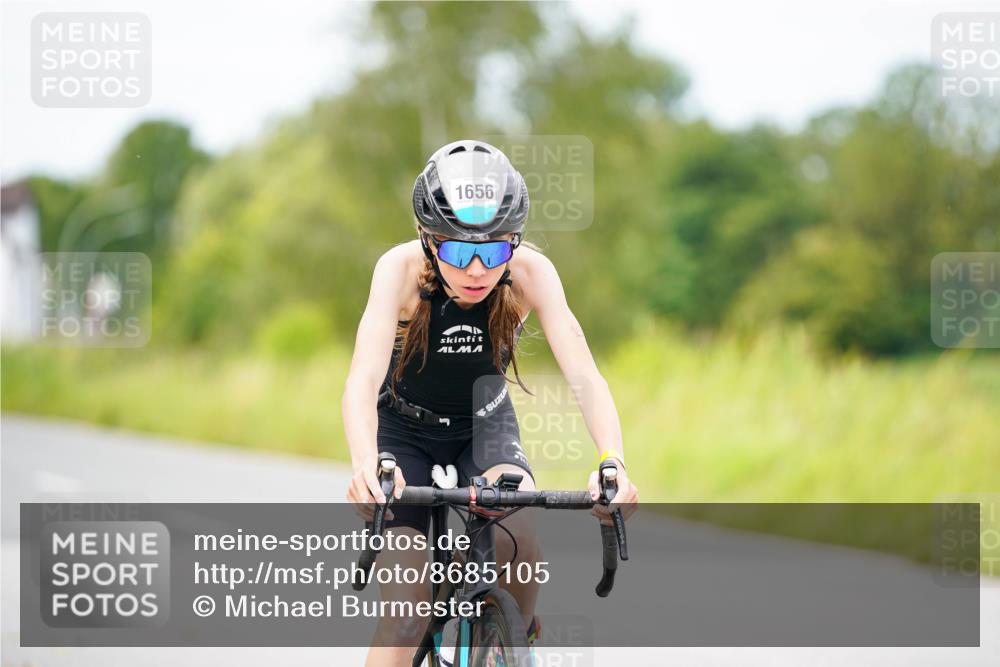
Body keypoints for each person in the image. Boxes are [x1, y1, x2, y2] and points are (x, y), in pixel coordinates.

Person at [343, 139, 639, 666]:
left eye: (496, 249)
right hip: (402, 431)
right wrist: (366, 462)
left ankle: (512, 640)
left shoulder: (530, 274)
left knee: (520, 547)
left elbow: (584, 376)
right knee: (406, 615)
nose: (477, 269)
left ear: (515, 242)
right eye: (459, 251)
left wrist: (611, 461)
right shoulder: (398, 270)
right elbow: (363, 378)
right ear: (429, 241)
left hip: (484, 423)